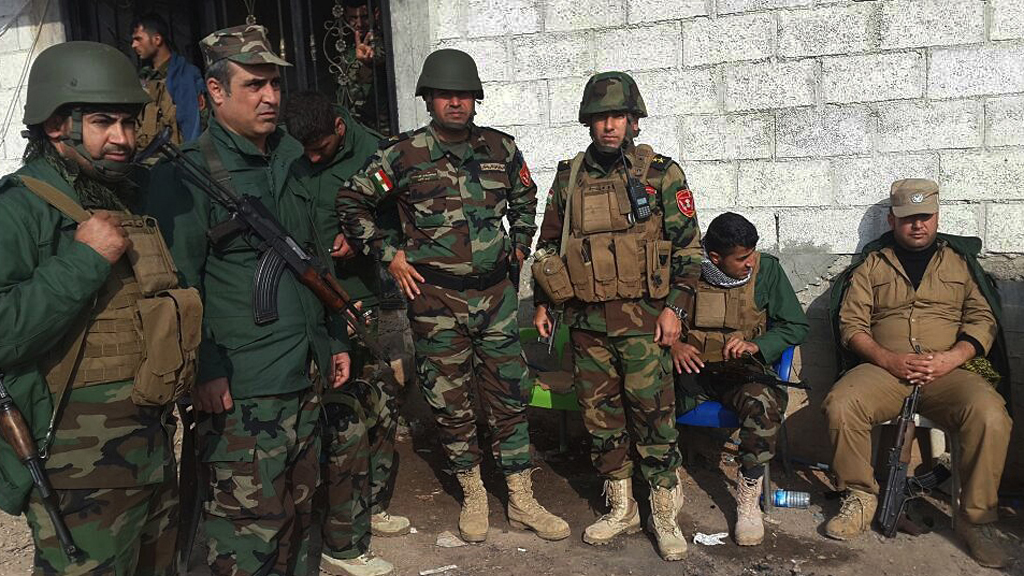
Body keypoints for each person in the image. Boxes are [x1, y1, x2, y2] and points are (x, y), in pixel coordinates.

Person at [337, 48, 568, 544]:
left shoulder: (501, 149)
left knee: (509, 395)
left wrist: (521, 246)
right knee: (451, 402)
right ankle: (473, 491)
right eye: (445, 95)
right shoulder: (402, 155)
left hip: (496, 299)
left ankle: (522, 498)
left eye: (463, 94)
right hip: (435, 302)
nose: (455, 103)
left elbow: (526, 198)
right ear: (428, 100)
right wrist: (389, 253)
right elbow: (351, 200)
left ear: (475, 99)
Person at [146, 25, 351, 576]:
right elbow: (178, 288)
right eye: (254, 84)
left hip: (302, 376)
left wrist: (332, 337)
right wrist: (206, 369)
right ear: (215, 91)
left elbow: (314, 259)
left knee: (301, 524)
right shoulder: (187, 174)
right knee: (245, 539)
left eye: (275, 85)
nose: (270, 97)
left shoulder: (290, 157)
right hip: (241, 392)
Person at [0, 41, 201, 575]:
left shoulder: (121, 194)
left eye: (129, 122)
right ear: (54, 126)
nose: (122, 138)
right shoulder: (19, 210)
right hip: (75, 470)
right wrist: (83, 261)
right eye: (102, 121)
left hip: (149, 451)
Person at [532, 71, 701, 561]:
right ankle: (621, 506)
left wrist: (675, 309)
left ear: (634, 120)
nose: (610, 126)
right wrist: (545, 301)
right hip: (586, 322)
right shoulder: (569, 176)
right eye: (602, 117)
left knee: (654, 415)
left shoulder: (662, 174)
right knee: (600, 418)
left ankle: (665, 513)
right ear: (590, 122)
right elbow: (549, 245)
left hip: (646, 322)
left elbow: (690, 250)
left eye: (619, 116)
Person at [824, 179, 1013, 568]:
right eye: (908, 219)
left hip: (947, 372)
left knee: (991, 414)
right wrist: (886, 358)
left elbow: (983, 320)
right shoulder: (872, 266)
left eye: (925, 217)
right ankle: (860, 497)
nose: (918, 226)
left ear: (937, 216)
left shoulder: (960, 263)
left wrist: (952, 358)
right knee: (842, 404)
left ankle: (976, 520)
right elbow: (851, 325)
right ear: (892, 220)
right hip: (885, 371)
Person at [282, 91, 407, 576]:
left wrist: (362, 243)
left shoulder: (377, 153)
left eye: (319, 147)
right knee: (339, 414)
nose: (311, 158)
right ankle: (339, 519)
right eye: (305, 150)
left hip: (366, 299)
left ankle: (371, 506)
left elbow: (402, 223)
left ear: (339, 126)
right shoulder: (293, 155)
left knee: (381, 405)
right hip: (315, 302)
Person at [670, 212, 809, 546]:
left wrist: (756, 345)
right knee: (646, 391)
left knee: (764, 403)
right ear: (715, 258)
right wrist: (674, 345)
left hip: (741, 374)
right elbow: (654, 316)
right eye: (742, 258)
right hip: (692, 372)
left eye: (751, 254)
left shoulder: (766, 271)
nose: (750, 263)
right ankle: (666, 480)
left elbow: (796, 325)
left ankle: (748, 494)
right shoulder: (686, 272)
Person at [130, 12, 205, 148]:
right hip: (144, 160)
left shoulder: (186, 76)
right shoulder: (143, 78)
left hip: (177, 161)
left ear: (157, 39)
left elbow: (194, 127)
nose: (133, 45)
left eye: (138, 39)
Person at [336, 0, 391, 135]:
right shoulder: (345, 47)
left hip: (380, 127)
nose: (359, 24)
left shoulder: (384, 42)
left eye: (365, 17)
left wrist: (368, 62)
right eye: (353, 18)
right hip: (354, 126)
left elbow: (379, 56)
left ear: (376, 14)